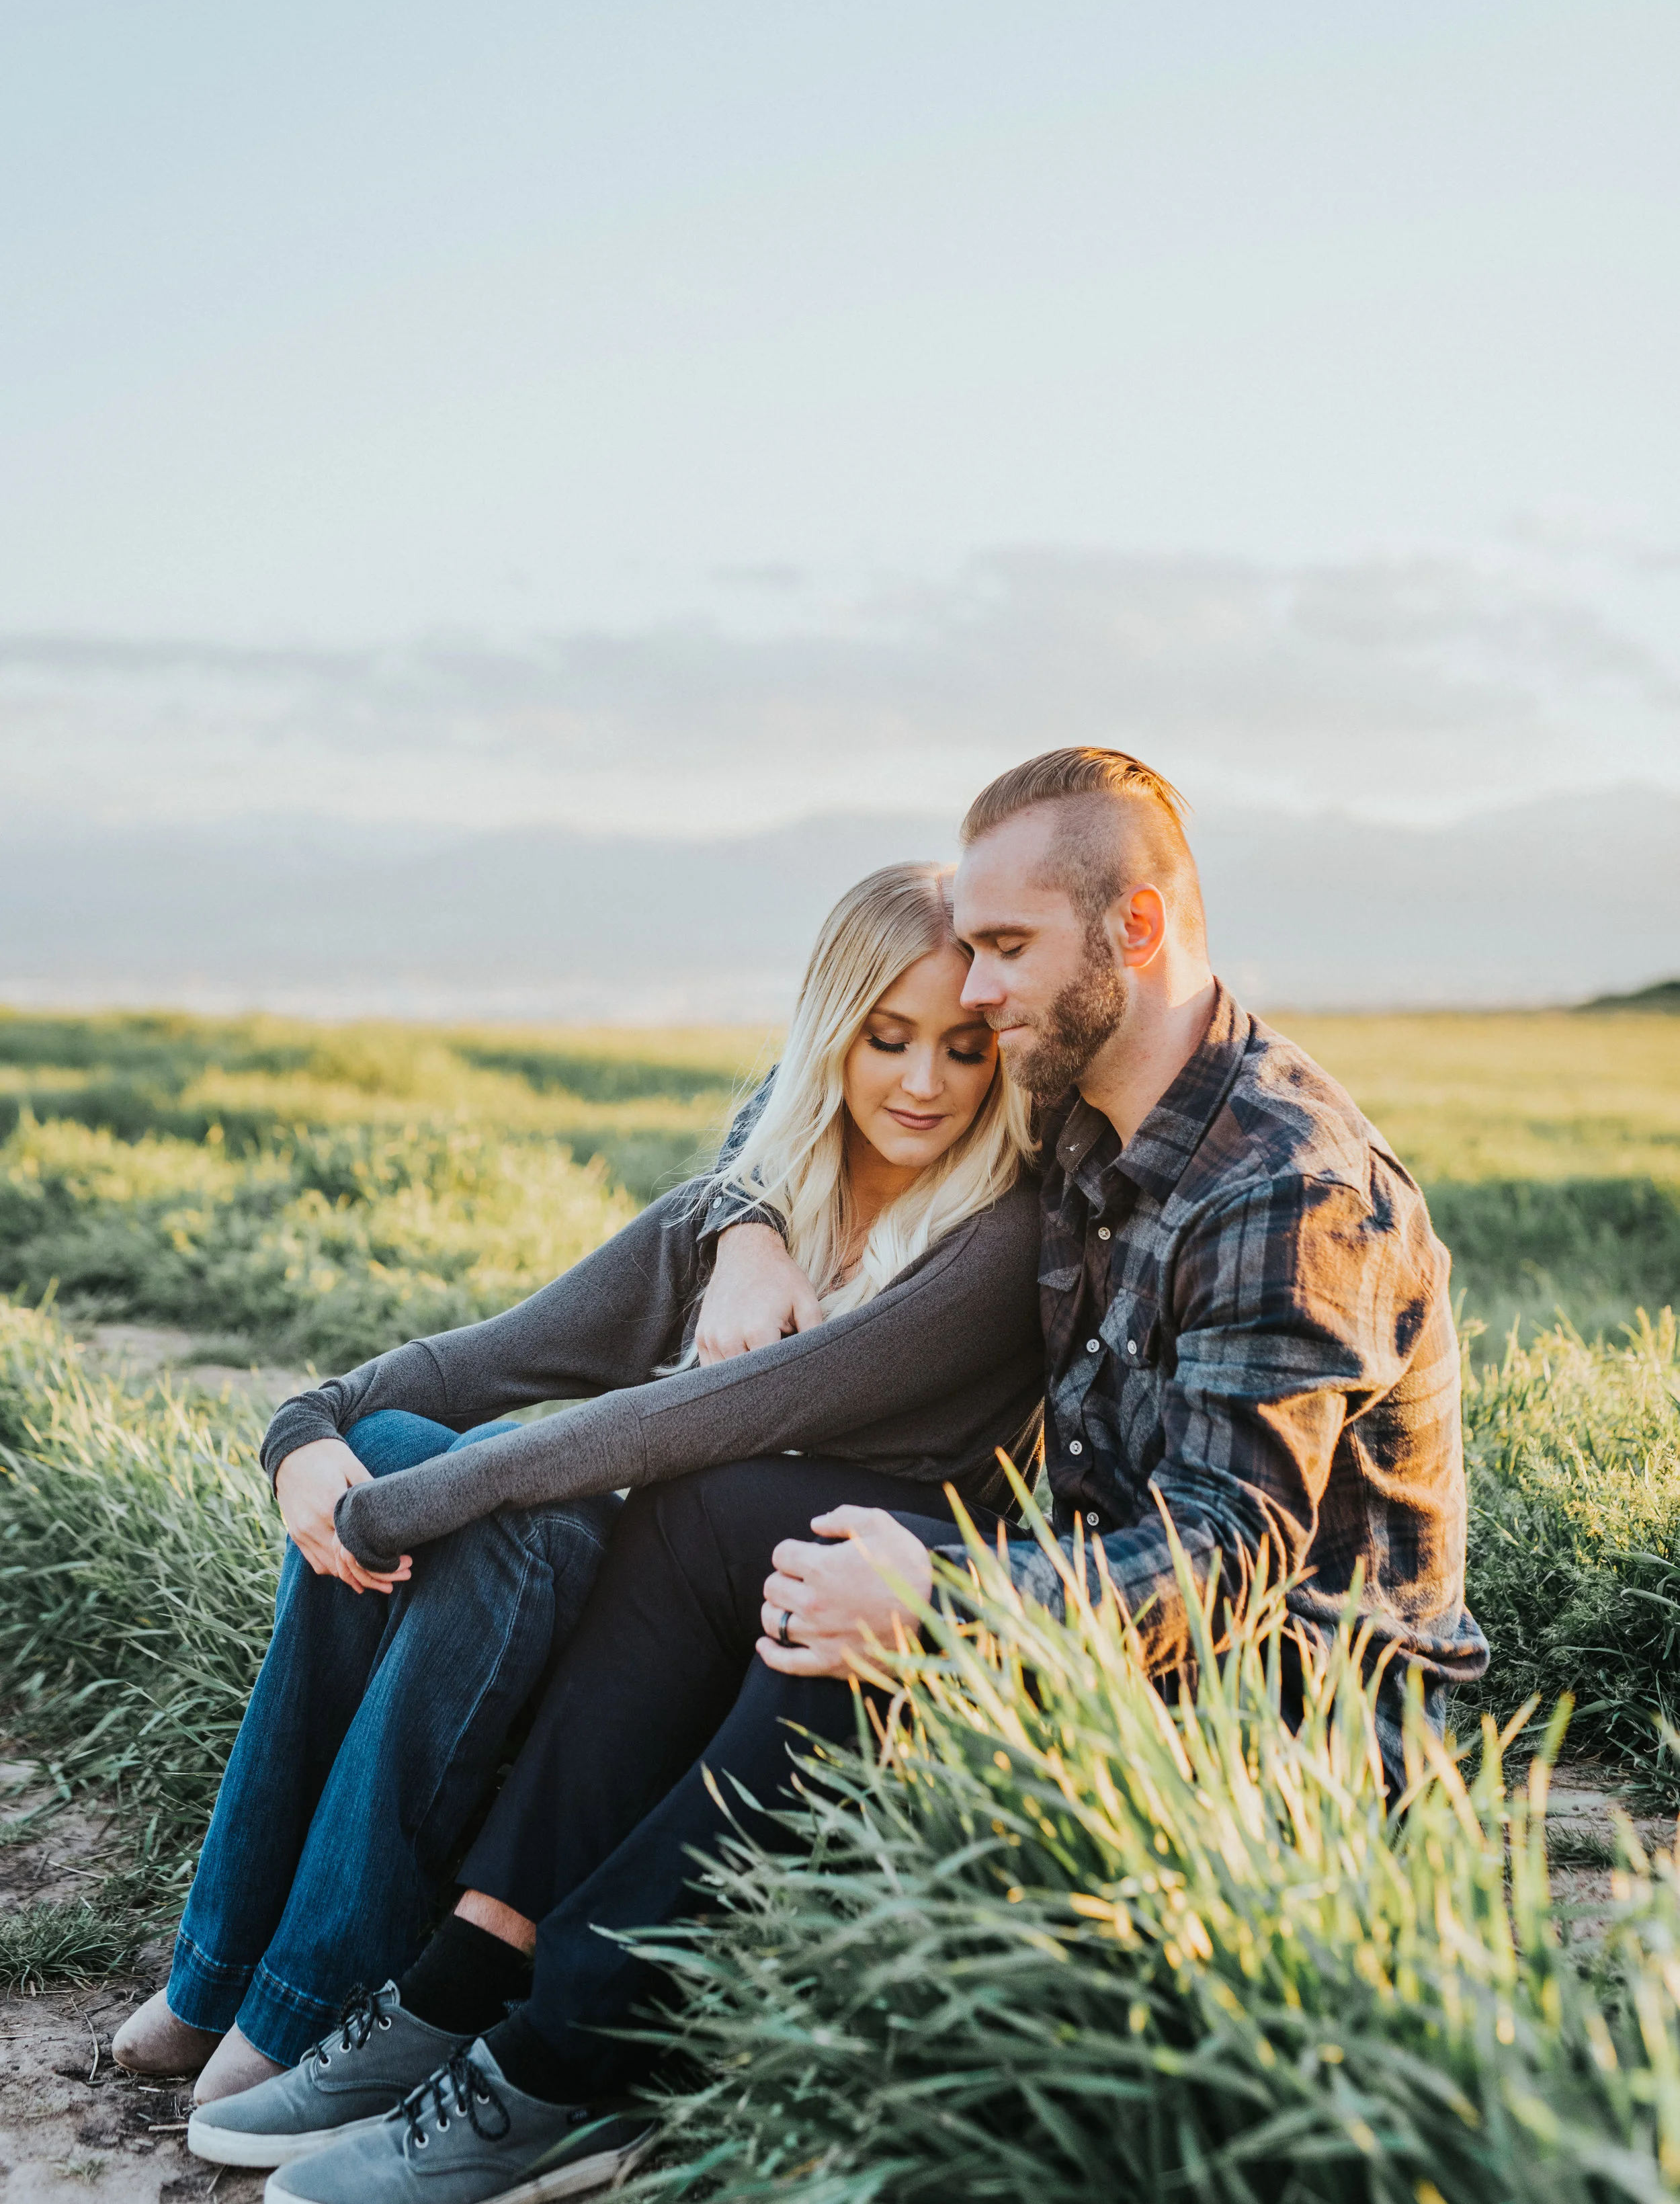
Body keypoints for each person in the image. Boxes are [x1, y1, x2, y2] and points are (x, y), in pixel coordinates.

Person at [208, 744, 1489, 2204]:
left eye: (1005, 949)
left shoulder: (1283, 1185)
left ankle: (572, 2070)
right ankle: (462, 1975)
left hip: (1279, 1725)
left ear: (1134, 931)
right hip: (1108, 1623)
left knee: (843, 1608)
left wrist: (945, 1595)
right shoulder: (1094, 1108)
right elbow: (813, 1072)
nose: (978, 991)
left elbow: (1230, 1552)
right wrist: (747, 1222)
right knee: (719, 1524)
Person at [113, 860, 1044, 2122]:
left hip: (751, 1655)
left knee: (512, 1520)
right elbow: (481, 1361)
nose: (925, 1082)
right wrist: (306, 1435)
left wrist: (393, 1511)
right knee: (389, 1436)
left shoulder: (986, 1252)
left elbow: (666, 1427)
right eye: (888, 1040)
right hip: (647, 1618)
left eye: (965, 1047)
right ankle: (219, 1975)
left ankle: (305, 1999)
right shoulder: (737, 1219)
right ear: (831, 1033)